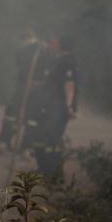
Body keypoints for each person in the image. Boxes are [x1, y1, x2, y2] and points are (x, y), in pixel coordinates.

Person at [28, 34, 77, 179]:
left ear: (61, 44)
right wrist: (37, 86)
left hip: (59, 108)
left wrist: (68, 107)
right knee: (42, 137)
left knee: (52, 140)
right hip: (49, 105)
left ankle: (54, 175)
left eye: (56, 42)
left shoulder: (67, 62)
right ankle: (44, 169)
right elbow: (52, 83)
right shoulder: (59, 60)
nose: (53, 43)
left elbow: (69, 85)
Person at [0, 28, 42, 151]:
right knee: (27, 117)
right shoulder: (39, 50)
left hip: (24, 87)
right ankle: (24, 147)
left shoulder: (26, 51)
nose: (21, 41)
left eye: (23, 39)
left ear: (27, 38)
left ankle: (5, 142)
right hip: (34, 89)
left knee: (13, 115)